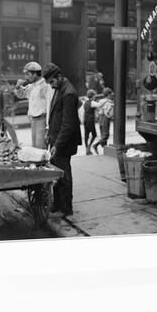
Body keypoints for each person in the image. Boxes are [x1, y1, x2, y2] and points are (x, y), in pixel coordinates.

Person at [43, 63, 82, 217]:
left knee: (64, 175)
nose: (51, 86)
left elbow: (67, 124)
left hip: (64, 143)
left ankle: (66, 208)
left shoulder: (69, 93)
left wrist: (57, 145)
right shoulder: (60, 88)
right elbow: (55, 116)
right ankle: (57, 204)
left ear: (59, 76)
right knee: (56, 174)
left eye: (52, 82)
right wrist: (49, 133)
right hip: (57, 139)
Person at [14, 61, 51, 149]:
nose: (26, 77)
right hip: (33, 119)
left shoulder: (45, 86)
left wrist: (48, 126)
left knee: (40, 148)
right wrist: (18, 87)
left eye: (28, 74)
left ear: (35, 74)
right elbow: (21, 95)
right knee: (35, 148)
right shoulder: (32, 86)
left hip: (42, 119)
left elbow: (49, 105)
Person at [91, 87, 114, 155]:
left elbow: (97, 108)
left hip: (100, 118)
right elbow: (108, 112)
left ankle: (104, 149)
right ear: (108, 94)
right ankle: (96, 145)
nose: (112, 96)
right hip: (105, 118)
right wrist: (110, 116)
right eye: (111, 94)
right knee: (106, 134)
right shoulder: (108, 102)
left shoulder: (100, 101)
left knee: (102, 134)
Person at [83, 89, 98, 155]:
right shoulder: (92, 102)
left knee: (86, 135)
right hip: (91, 120)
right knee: (94, 135)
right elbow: (99, 105)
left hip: (85, 119)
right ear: (92, 96)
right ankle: (89, 147)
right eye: (94, 95)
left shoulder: (85, 102)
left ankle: (87, 148)